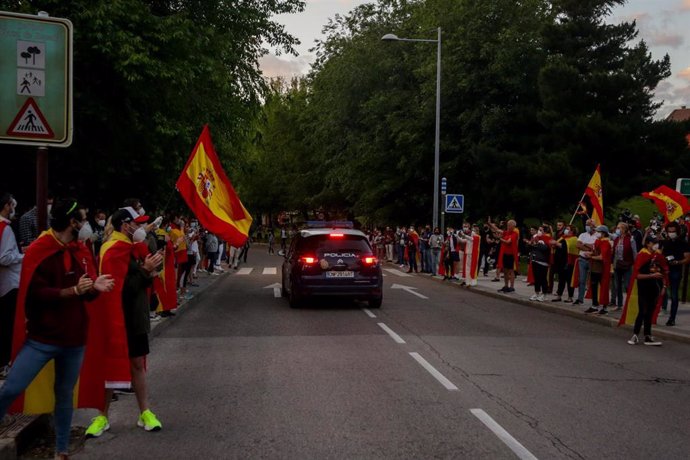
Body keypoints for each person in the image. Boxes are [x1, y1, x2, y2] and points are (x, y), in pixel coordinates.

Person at [0, 198, 114, 460]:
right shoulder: (40, 248)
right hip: (41, 338)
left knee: (64, 396)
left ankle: (61, 451)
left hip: (74, 340)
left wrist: (95, 287)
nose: (86, 224)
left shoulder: (81, 251)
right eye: (83, 219)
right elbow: (36, 293)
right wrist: (73, 290)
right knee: (11, 387)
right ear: (71, 222)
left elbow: (87, 295)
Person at [86, 206, 164, 438]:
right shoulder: (113, 250)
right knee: (110, 367)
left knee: (137, 365)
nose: (140, 227)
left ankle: (145, 412)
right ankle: (102, 416)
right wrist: (145, 271)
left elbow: (142, 277)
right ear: (124, 225)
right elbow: (120, 289)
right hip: (117, 318)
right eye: (136, 223)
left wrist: (149, 269)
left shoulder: (131, 248)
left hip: (135, 317)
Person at [621, 235, 667, 346]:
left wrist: (664, 286)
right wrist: (652, 276)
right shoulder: (642, 255)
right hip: (644, 288)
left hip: (655, 289)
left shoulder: (657, 256)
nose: (656, 245)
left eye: (657, 243)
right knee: (642, 311)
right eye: (653, 243)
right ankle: (635, 334)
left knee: (650, 312)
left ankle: (647, 335)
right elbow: (637, 275)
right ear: (648, 244)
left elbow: (664, 271)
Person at [0, 194, 23, 377]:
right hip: (9, 283)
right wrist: (25, 256)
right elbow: (5, 258)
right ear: (7, 206)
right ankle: (5, 363)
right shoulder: (5, 228)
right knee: (8, 325)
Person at [660, 221, 690, 326]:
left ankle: (672, 318)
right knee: (662, 291)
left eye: (673, 231)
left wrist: (678, 262)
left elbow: (687, 258)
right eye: (669, 231)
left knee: (674, 294)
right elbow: (662, 255)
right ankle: (661, 309)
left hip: (675, 270)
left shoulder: (683, 243)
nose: (671, 233)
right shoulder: (666, 242)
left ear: (677, 231)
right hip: (664, 270)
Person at [584, 225, 613, 314]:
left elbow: (601, 257)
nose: (596, 233)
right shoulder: (598, 241)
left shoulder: (605, 243)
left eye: (598, 231)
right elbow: (595, 251)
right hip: (595, 267)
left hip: (602, 268)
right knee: (593, 286)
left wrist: (591, 257)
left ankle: (604, 307)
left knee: (603, 287)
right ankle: (595, 305)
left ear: (603, 233)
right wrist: (589, 253)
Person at [611, 222, 637, 311]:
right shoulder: (616, 239)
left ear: (624, 229)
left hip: (627, 265)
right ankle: (619, 304)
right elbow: (614, 253)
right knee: (617, 285)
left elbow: (634, 253)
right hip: (617, 265)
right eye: (617, 228)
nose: (617, 229)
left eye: (619, 228)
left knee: (627, 285)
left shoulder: (630, 239)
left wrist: (635, 264)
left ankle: (630, 303)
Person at [490, 219, 519, 293]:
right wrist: (490, 224)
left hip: (511, 255)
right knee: (505, 271)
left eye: (509, 225)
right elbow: (497, 229)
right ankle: (506, 286)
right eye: (507, 225)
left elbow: (508, 242)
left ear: (513, 226)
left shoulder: (514, 234)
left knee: (511, 271)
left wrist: (499, 238)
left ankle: (512, 287)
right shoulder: (506, 233)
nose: (508, 226)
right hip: (505, 254)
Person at [551, 224, 578, 302]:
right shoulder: (563, 238)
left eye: (568, 228)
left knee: (569, 280)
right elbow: (558, 244)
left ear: (572, 231)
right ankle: (559, 295)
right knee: (561, 279)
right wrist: (554, 244)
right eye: (566, 228)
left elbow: (565, 247)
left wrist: (556, 244)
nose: (566, 230)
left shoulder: (574, 239)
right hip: (561, 261)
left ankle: (570, 297)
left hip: (568, 262)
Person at [574, 219, 597, 305]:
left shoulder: (597, 235)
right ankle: (580, 299)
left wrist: (584, 244)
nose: (587, 226)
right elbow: (578, 245)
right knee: (582, 280)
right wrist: (589, 247)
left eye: (589, 224)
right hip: (582, 259)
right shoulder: (583, 234)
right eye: (586, 224)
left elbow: (595, 247)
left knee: (593, 281)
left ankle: (594, 301)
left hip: (593, 260)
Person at [526, 226, 551, 301]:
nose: (539, 231)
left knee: (543, 278)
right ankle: (536, 293)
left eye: (540, 230)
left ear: (545, 232)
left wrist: (537, 243)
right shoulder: (536, 238)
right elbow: (531, 248)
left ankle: (544, 294)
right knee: (536, 279)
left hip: (543, 262)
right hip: (535, 260)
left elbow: (545, 249)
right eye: (539, 230)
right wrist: (530, 244)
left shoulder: (547, 239)